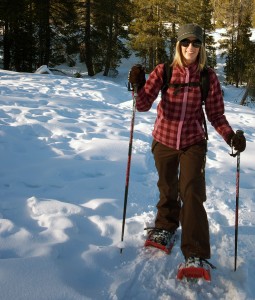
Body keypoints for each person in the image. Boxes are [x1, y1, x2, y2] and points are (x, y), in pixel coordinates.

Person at [128, 24, 246, 270]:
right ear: (178, 45)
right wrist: (138, 86)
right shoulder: (165, 71)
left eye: (196, 43)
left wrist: (230, 137)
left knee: (191, 191)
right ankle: (165, 227)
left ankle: (195, 251)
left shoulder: (207, 76)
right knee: (168, 186)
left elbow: (216, 115)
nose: (190, 47)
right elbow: (142, 106)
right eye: (185, 42)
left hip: (194, 141)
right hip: (164, 139)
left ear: (201, 47)